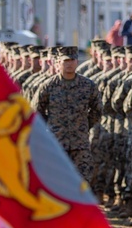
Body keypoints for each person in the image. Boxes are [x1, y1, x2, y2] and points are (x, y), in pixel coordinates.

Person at [32, 47, 103, 181]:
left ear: (77, 62)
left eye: (72, 60)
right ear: (58, 62)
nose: (69, 64)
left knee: (82, 183)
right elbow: (37, 111)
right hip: (57, 144)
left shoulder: (88, 86)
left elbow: (97, 110)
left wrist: (84, 126)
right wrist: (51, 127)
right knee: (57, 182)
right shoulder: (48, 86)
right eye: (65, 61)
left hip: (80, 144)